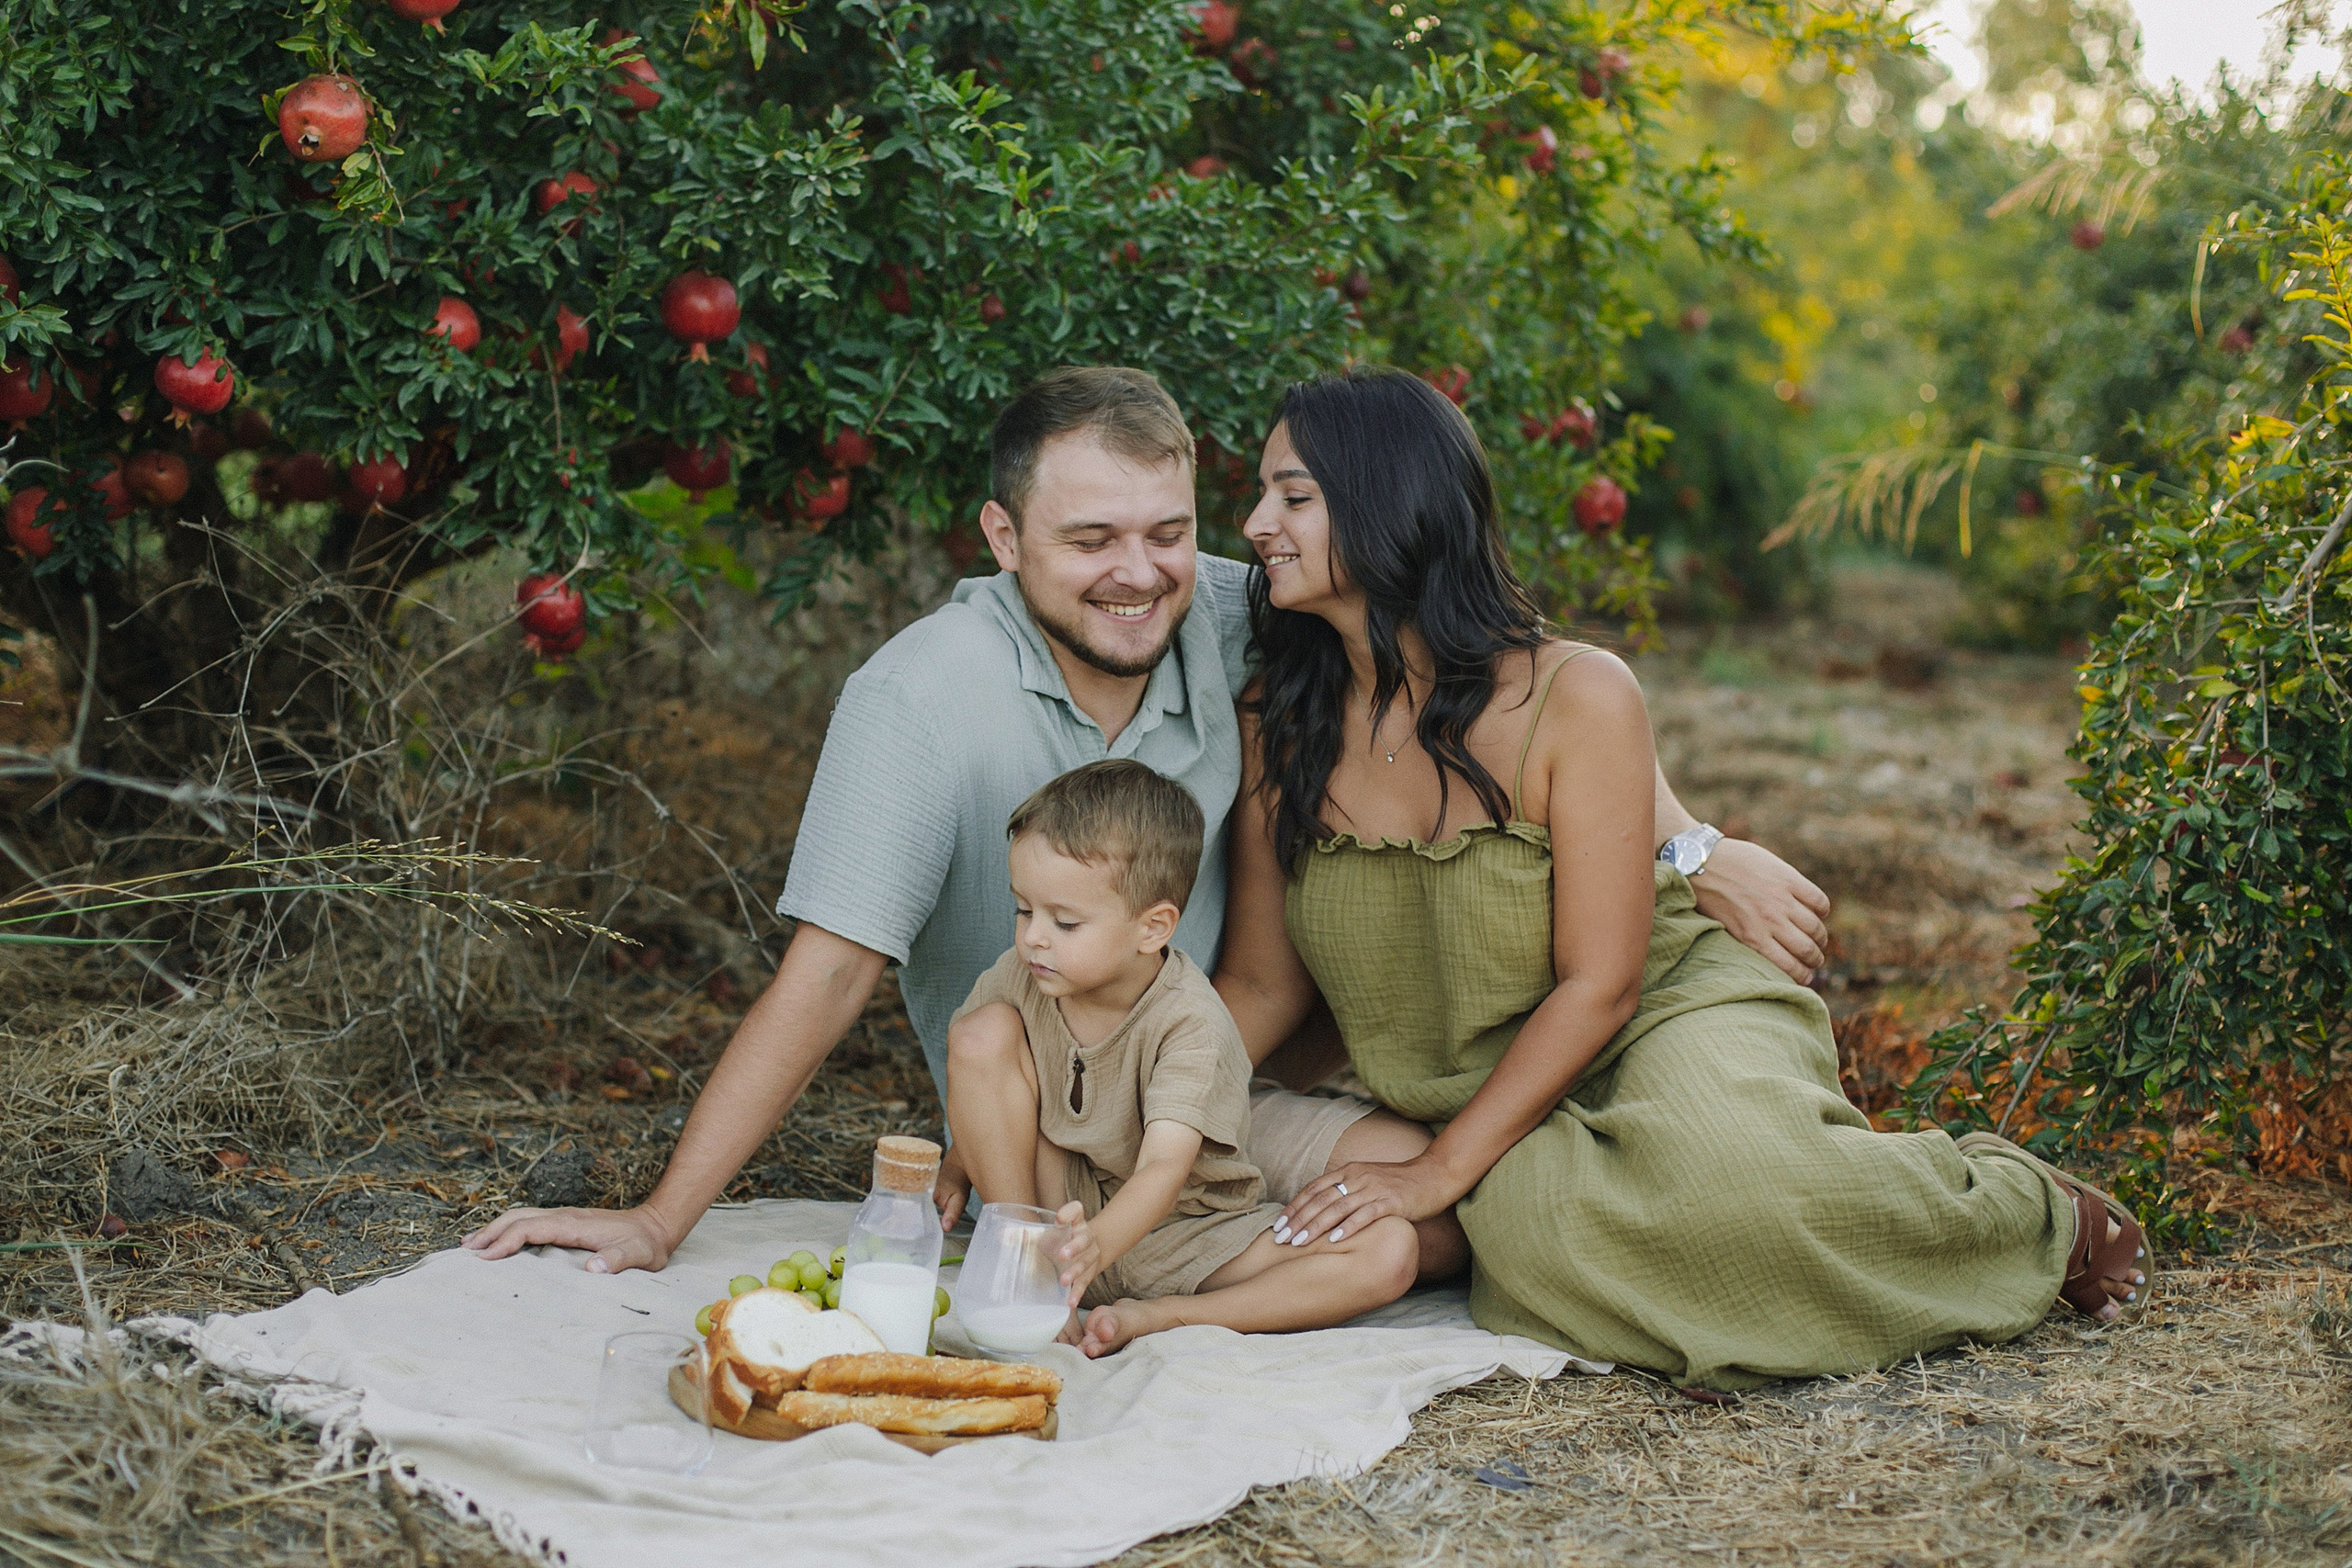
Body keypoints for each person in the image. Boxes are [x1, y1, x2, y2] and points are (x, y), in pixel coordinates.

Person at [462, 366, 1832, 1280]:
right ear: (1005, 539)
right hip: (1104, 1099)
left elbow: (1498, 670)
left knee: (1514, 1197)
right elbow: (826, 972)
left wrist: (1693, 839)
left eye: (1171, 529)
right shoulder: (918, 704)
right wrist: (658, 1216)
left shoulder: (1243, 607)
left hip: (1307, 1060)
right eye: (1091, 540)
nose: (1141, 572)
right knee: (1482, 1217)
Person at [1211, 365, 2149, 1391]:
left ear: (1390, 500)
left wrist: (1436, 1170)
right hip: (1484, 1078)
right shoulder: (1279, 721)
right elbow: (1263, 984)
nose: (1257, 522)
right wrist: (1147, 1111)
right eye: (1263, 493)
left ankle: (2025, 1215)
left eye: (1292, 495)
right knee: (1531, 1247)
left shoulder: (1573, 694)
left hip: (1661, 1011)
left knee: (1744, 1195)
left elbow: (1601, 983)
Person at [947, 759, 1416, 1357]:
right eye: (1023, 909)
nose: (1034, 936)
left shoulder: (1189, 1020)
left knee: (1390, 1248)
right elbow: (987, 1078)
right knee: (979, 1034)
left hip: (1184, 1233)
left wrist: (1099, 1245)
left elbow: (1164, 1170)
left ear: (1153, 927)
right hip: (1061, 1210)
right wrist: (958, 1166)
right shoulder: (1024, 975)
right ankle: (1029, 1272)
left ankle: (1169, 1317)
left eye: (1064, 920)